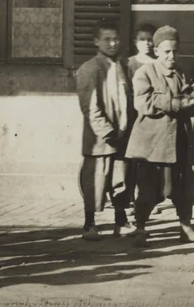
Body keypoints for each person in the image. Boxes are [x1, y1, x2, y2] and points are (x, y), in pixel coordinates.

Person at [125, 26, 194, 247]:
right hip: (152, 143)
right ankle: (141, 227)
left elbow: (192, 97)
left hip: (177, 141)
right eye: (166, 52)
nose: (171, 56)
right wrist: (172, 103)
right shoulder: (144, 72)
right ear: (156, 51)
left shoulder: (182, 73)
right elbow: (142, 103)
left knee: (182, 188)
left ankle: (186, 228)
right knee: (148, 189)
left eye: (175, 51)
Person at [75, 23, 133, 241]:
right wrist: (108, 132)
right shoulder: (90, 69)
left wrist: (124, 130)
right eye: (107, 39)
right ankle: (89, 224)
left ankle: (121, 220)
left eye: (116, 39)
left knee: (121, 180)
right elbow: (90, 108)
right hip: (101, 138)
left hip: (122, 133)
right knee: (95, 182)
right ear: (96, 42)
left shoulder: (121, 66)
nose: (112, 43)